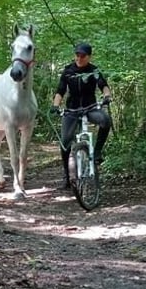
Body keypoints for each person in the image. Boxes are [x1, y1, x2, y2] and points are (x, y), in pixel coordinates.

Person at [50, 42, 112, 189]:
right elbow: (60, 90)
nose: (79, 58)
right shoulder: (68, 71)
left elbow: (103, 85)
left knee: (105, 121)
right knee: (65, 142)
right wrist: (55, 105)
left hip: (90, 108)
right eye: (77, 55)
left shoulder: (94, 70)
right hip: (72, 110)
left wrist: (107, 96)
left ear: (89, 57)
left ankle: (97, 152)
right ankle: (67, 177)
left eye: (82, 55)